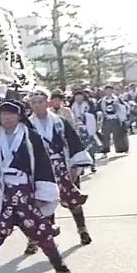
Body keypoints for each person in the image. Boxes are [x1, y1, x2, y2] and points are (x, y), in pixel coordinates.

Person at [0, 100, 72, 273]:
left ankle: (59, 265)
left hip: (25, 194)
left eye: (11, 114)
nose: (7, 118)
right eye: (3, 114)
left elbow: (43, 164)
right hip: (1, 195)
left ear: (19, 116)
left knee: (42, 232)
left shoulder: (31, 137)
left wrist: (44, 193)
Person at [26, 89, 93, 250]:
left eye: (40, 101)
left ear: (47, 103)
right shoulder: (27, 125)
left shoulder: (60, 121)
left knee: (73, 200)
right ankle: (40, 238)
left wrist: (75, 166)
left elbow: (73, 142)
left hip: (63, 165)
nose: (37, 105)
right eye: (33, 102)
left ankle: (82, 230)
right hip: (41, 170)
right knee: (44, 202)